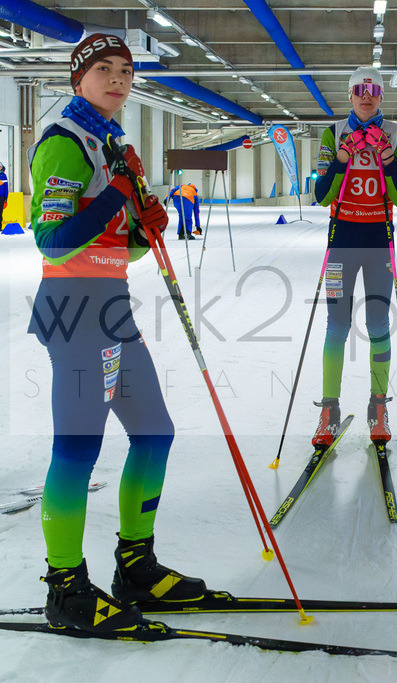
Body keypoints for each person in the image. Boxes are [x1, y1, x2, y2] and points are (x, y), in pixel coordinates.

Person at [26, 34, 206, 633]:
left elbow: (107, 248)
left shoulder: (111, 144)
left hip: (111, 308)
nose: (117, 80)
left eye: (126, 71)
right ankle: (66, 589)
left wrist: (139, 231)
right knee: (77, 451)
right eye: (103, 70)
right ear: (79, 78)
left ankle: (136, 566)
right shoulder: (63, 142)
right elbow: (51, 240)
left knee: (155, 435)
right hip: (74, 313)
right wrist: (120, 198)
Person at [312, 66, 397, 448]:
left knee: (378, 324)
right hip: (342, 239)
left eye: (373, 90)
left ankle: (378, 405)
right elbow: (321, 196)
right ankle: (329, 410)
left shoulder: (396, 134)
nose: (366, 96)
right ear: (350, 95)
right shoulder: (332, 132)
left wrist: (387, 160)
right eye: (359, 90)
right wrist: (340, 158)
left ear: (381, 96)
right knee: (336, 325)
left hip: (378, 241)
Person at [0, 161, 8, 227]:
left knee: (0, 212)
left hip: (1, 197)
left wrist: (6, 197)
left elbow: (6, 187)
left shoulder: (4, 176)